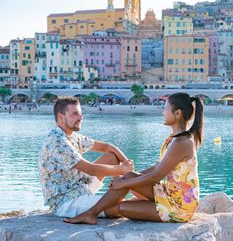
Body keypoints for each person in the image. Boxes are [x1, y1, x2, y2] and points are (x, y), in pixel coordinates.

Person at [64, 92, 203, 225]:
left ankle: (90, 213)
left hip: (179, 207)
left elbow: (156, 176)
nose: (163, 112)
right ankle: (92, 212)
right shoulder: (174, 140)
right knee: (128, 175)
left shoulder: (182, 143)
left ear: (177, 113)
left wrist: (124, 184)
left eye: (165, 108)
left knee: (115, 209)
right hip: (169, 194)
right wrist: (125, 178)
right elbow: (156, 167)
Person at [39, 96, 134, 218]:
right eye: (75, 114)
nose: (80, 117)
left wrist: (127, 165)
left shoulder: (71, 136)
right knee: (121, 206)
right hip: (66, 202)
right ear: (61, 117)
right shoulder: (57, 141)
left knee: (111, 157)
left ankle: (130, 187)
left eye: (80, 114)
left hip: (80, 188)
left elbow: (108, 147)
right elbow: (91, 169)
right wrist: (122, 170)